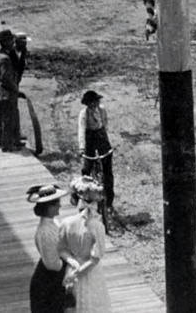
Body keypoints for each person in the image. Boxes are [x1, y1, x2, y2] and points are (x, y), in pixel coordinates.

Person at [60, 176, 110, 312]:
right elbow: (95, 258)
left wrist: (72, 265)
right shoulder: (97, 226)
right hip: (90, 273)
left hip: (71, 271)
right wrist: (78, 272)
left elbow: (62, 250)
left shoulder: (66, 223)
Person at [28, 182, 76, 312]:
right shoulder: (45, 232)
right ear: (49, 208)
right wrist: (68, 266)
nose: (60, 205)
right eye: (56, 204)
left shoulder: (53, 223)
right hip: (48, 283)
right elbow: (52, 264)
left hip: (54, 281)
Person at [77, 90, 114, 212]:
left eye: (96, 102)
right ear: (87, 104)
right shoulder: (84, 114)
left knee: (108, 170)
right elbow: (81, 130)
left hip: (101, 135)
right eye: (91, 104)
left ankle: (109, 202)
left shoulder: (102, 109)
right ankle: (84, 199)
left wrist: (107, 141)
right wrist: (82, 148)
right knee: (86, 169)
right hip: (90, 138)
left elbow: (105, 123)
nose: (94, 105)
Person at [0, 29, 23, 151]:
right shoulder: (5, 59)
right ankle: (7, 146)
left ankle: (1, 141)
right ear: (7, 42)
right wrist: (17, 91)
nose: (13, 42)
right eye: (11, 40)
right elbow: (6, 79)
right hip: (6, 94)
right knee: (8, 120)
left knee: (1, 119)